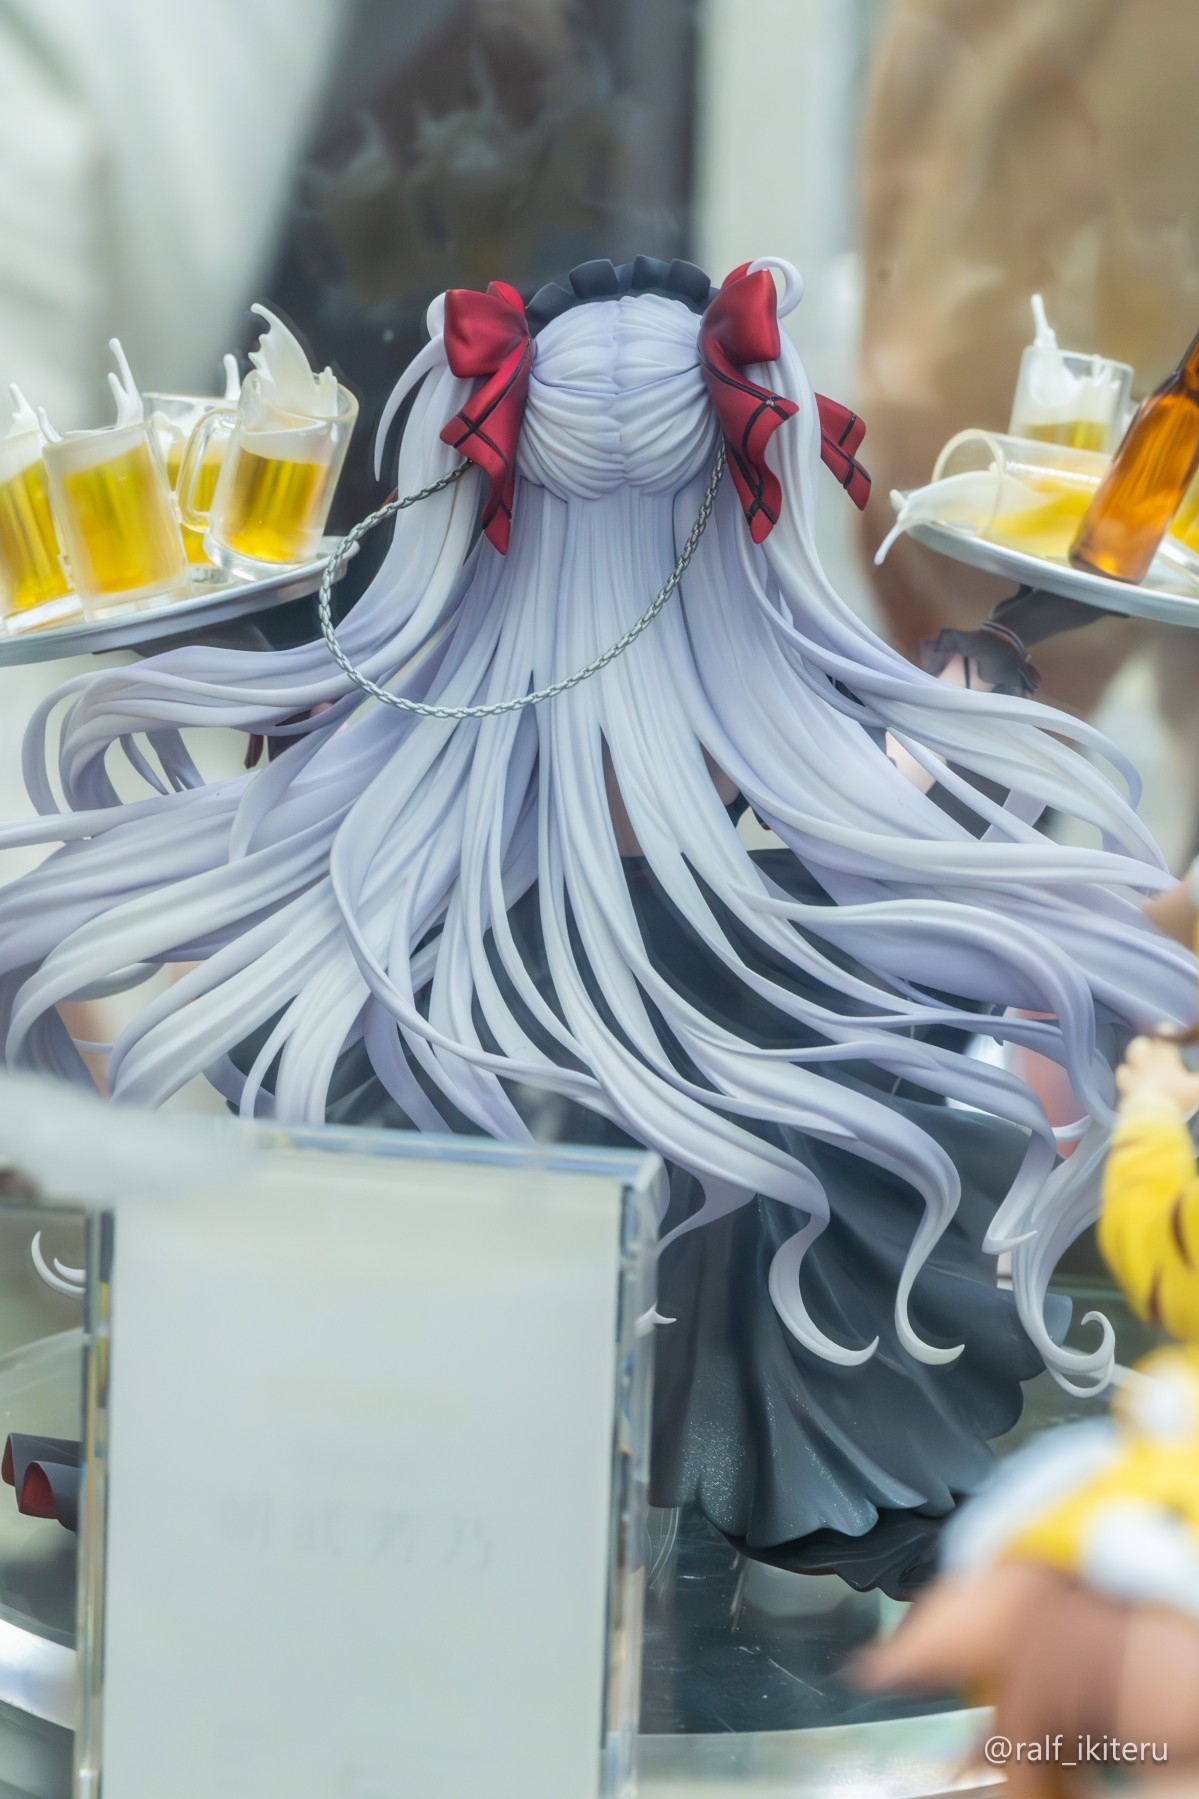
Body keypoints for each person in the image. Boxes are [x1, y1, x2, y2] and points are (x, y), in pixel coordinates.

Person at [0, 255, 1191, 1582]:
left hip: (478, 1049)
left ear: (488, 502)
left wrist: (246, 648)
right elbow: (909, 792)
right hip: (734, 1052)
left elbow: (313, 774)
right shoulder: (773, 762)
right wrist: (1008, 646)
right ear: (737, 513)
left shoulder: (420, 770)